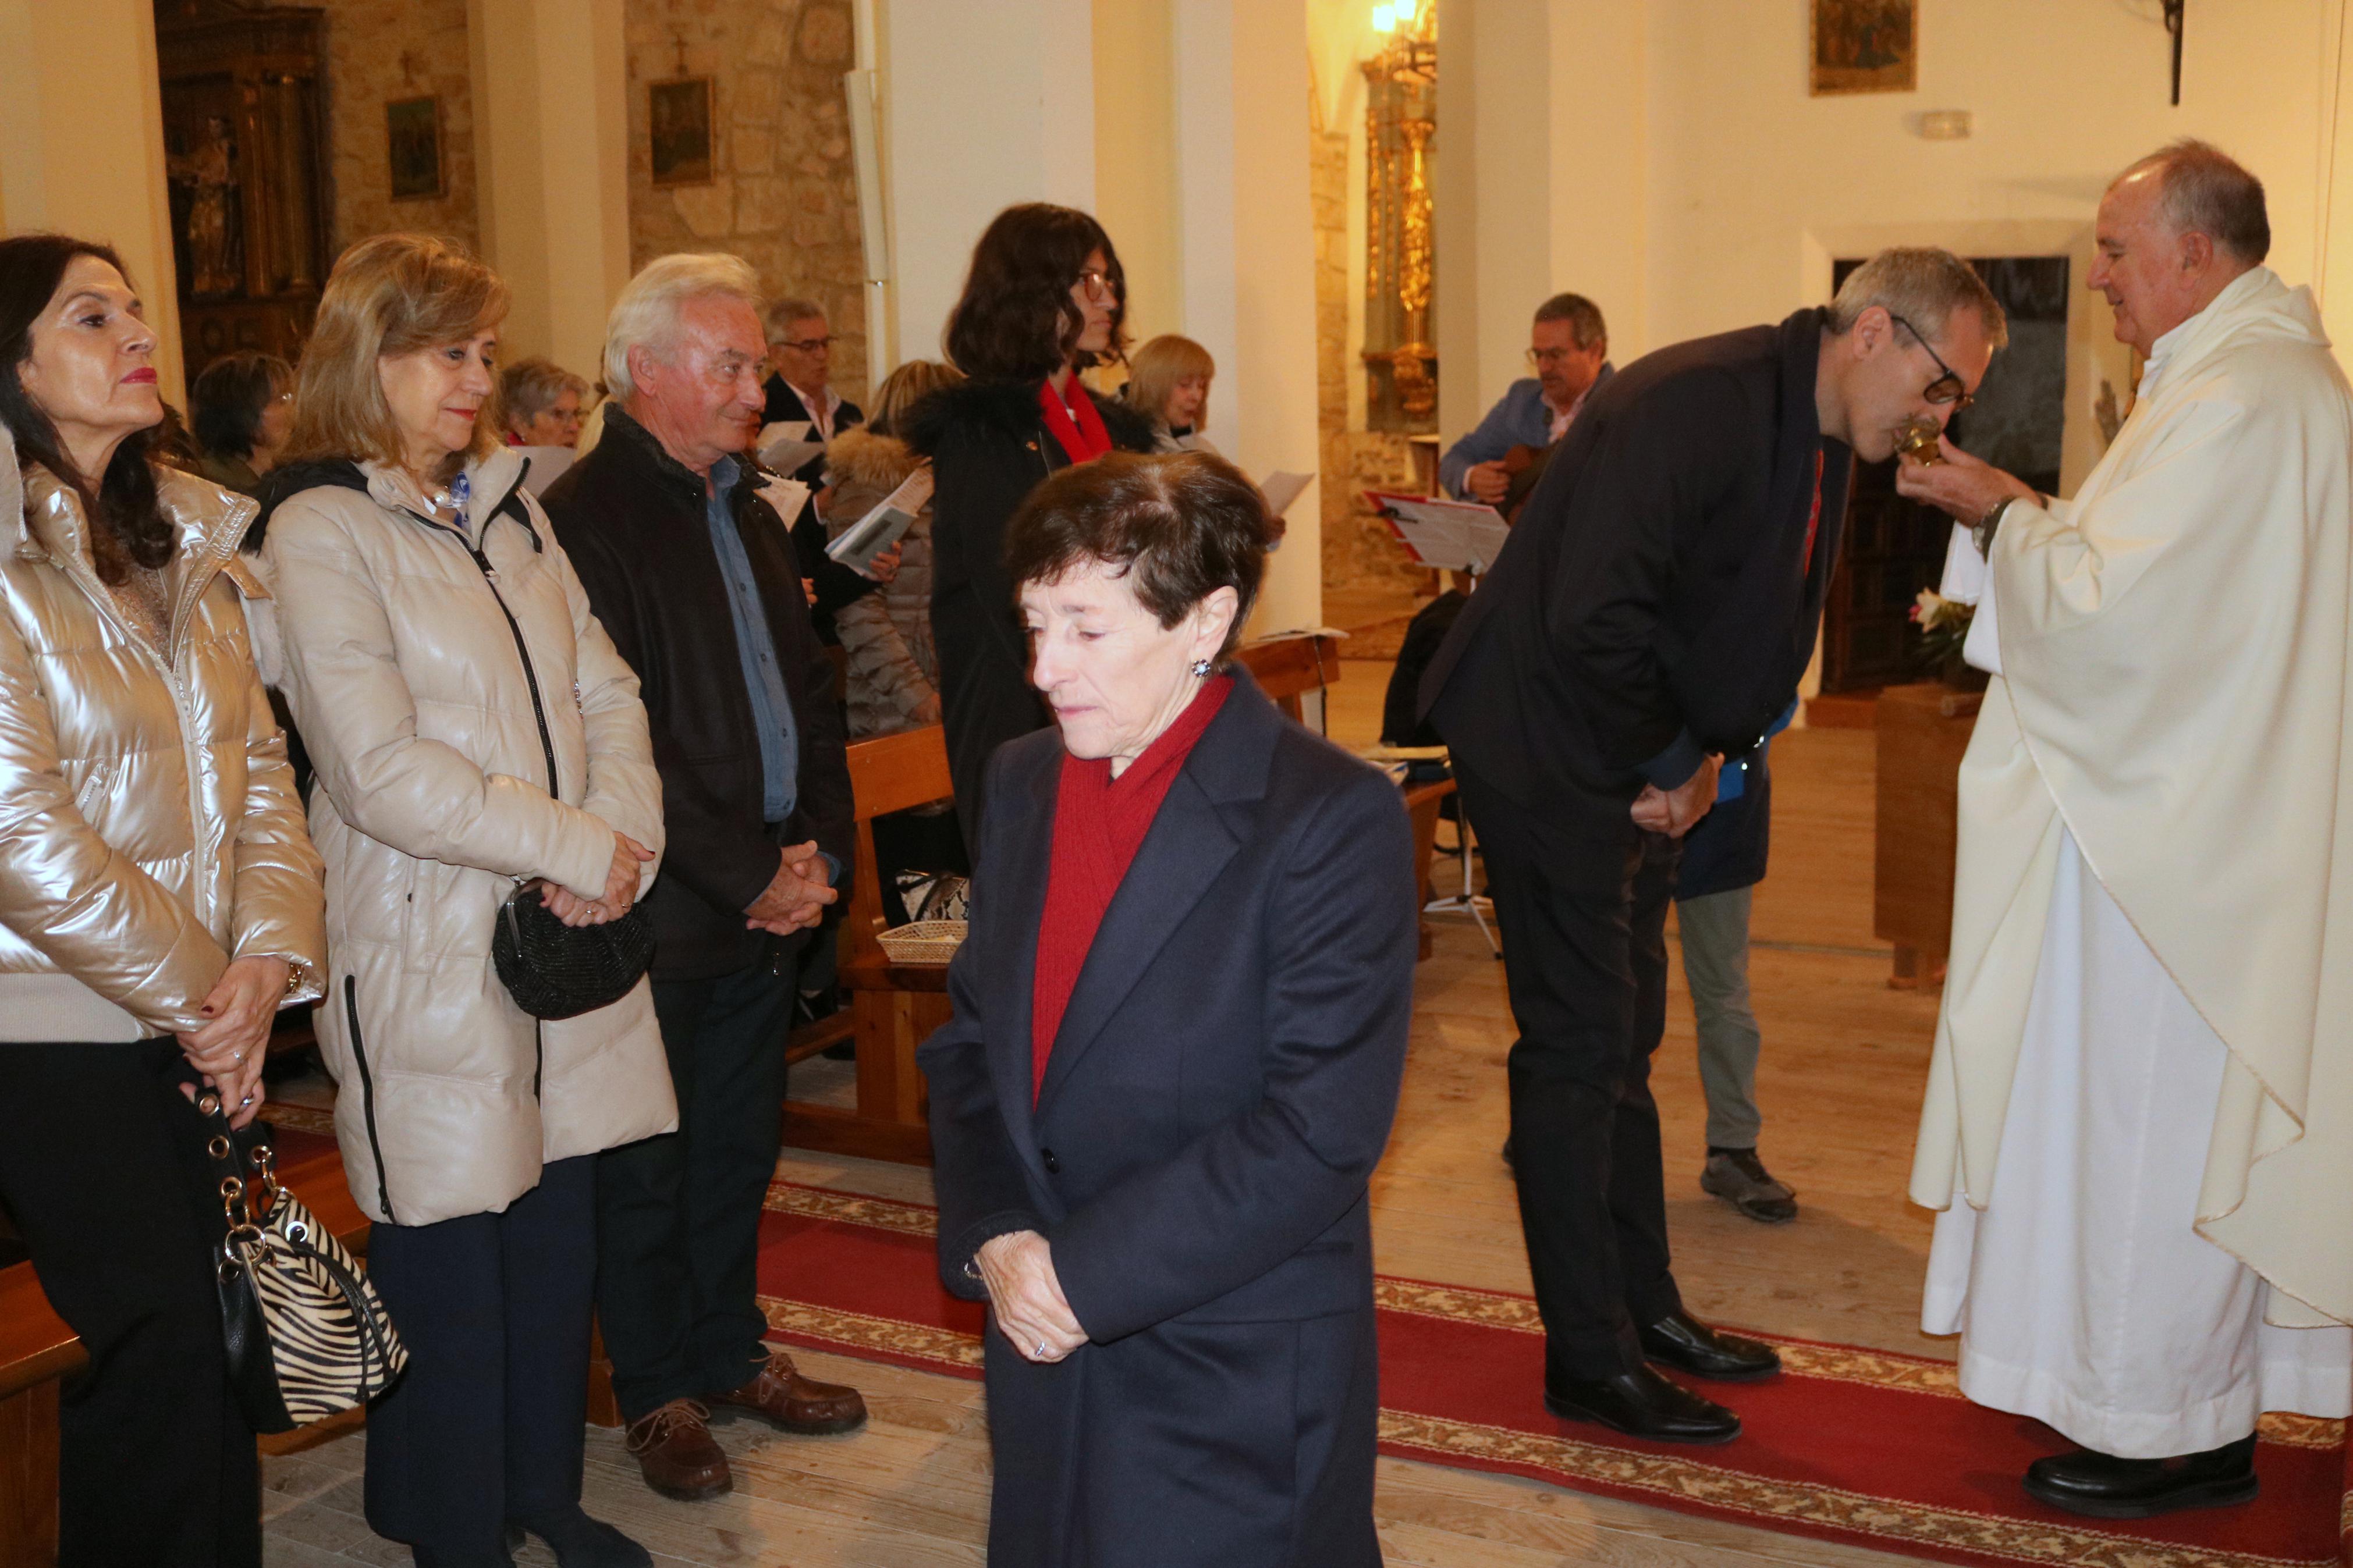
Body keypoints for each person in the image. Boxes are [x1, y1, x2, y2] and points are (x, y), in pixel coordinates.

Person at [1421, 248, 2005, 1443]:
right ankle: (1586, 1355)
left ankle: (1645, 1309)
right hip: (1544, 745)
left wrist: (1716, 763)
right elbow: (1596, 614)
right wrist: (1669, 762)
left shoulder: (1816, 421)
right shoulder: (1697, 403)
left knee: (1624, 1033)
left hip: (1632, 752)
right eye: (1941, 385)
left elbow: (1753, 624)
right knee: (1577, 1050)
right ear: (1875, 333)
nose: (1938, 417)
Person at [1900, 141, 2353, 1518]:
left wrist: (2001, 511)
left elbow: (2125, 623)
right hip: (2180, 822)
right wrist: (2029, 531)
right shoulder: (2237, 381)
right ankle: (2178, 1410)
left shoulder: (2244, 395)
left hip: (2177, 864)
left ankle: (2170, 1428)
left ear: (2193, 254)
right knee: (2150, 1140)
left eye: (2112, 247)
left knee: (2148, 1135)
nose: (2094, 274)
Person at [258, 232, 674, 1568]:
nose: (476, 378)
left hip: (566, 919)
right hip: (428, 925)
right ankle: (449, 1524)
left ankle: (542, 1492)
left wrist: (620, 841)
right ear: (367, 353)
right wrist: (566, 840)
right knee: (450, 1230)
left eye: (487, 354)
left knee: (554, 1230)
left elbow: (605, 687)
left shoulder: (508, 508)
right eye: (452, 352)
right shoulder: (320, 526)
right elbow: (374, 768)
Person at [920, 451, 1415, 1566]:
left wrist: (1080, 1278)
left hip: (1225, 1355)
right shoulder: (1022, 781)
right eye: (1034, 624)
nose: (1046, 668)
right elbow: (972, 1044)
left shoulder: (1327, 818)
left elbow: (1316, 1131)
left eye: (1087, 630)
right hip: (1038, 1332)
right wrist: (997, 1234)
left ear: (1206, 620)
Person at [0, 234, 325, 1568]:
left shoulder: (183, 540)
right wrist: (213, 994)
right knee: (164, 1348)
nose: (138, 330)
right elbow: (21, 832)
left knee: (210, 1337)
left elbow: (263, 778)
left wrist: (266, 971)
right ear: (13, 365)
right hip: (46, 1031)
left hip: (191, 1017)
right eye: (93, 315)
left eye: (137, 308)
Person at [542, 253, 868, 1506]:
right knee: (649, 1163)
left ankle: (730, 1354)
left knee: (739, 1146)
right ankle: (656, 1387)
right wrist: (749, 874)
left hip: (768, 886)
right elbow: (627, 736)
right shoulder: (590, 518)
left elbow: (809, 689)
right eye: (730, 366)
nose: (756, 388)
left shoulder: (740, 500)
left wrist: (822, 853)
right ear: (647, 374)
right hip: (669, 903)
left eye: (754, 366)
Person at [906, 202, 1156, 836]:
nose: (1108, 299)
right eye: (1087, 282)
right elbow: (1009, 584)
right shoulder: (983, 430)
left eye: (1109, 281)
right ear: (1032, 292)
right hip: (1023, 718)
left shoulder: (1103, 425)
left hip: (1117, 703)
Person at [1675, 709, 1796, 1224]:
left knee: (1723, 990)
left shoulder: (1759, 624)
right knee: (1607, 980)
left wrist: (1711, 752)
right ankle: (1568, 1128)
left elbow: (1775, 693)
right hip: (1624, 796)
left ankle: (1732, 1148)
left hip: (1722, 807)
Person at [825, 357, 962, 738]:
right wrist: (916, 695)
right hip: (894, 702)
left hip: (951, 684)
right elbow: (857, 609)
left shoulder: (948, 482)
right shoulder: (866, 487)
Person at [1439, 292, 1611, 503]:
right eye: (1538, 355)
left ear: (1595, 351)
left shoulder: (1620, 406)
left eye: (1556, 355)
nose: (1544, 367)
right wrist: (1472, 477)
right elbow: (1453, 460)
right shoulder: (1521, 400)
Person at [761, 294, 862, 474]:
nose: (822, 355)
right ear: (777, 355)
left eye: (825, 343)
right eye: (808, 346)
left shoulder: (849, 414)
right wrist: (816, 503)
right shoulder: (763, 412)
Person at [188, 349, 293, 497]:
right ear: (242, 412)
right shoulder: (212, 485)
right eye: (281, 401)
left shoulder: (286, 476)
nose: (292, 409)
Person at [1121, 332, 1219, 454]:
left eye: (1201, 386)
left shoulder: (1204, 452)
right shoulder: (1117, 446)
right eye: (1185, 385)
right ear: (1154, 385)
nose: (1197, 396)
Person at [501, 355, 590, 447]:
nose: (575, 427)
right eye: (559, 414)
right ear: (520, 424)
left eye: (576, 413)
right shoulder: (500, 460)